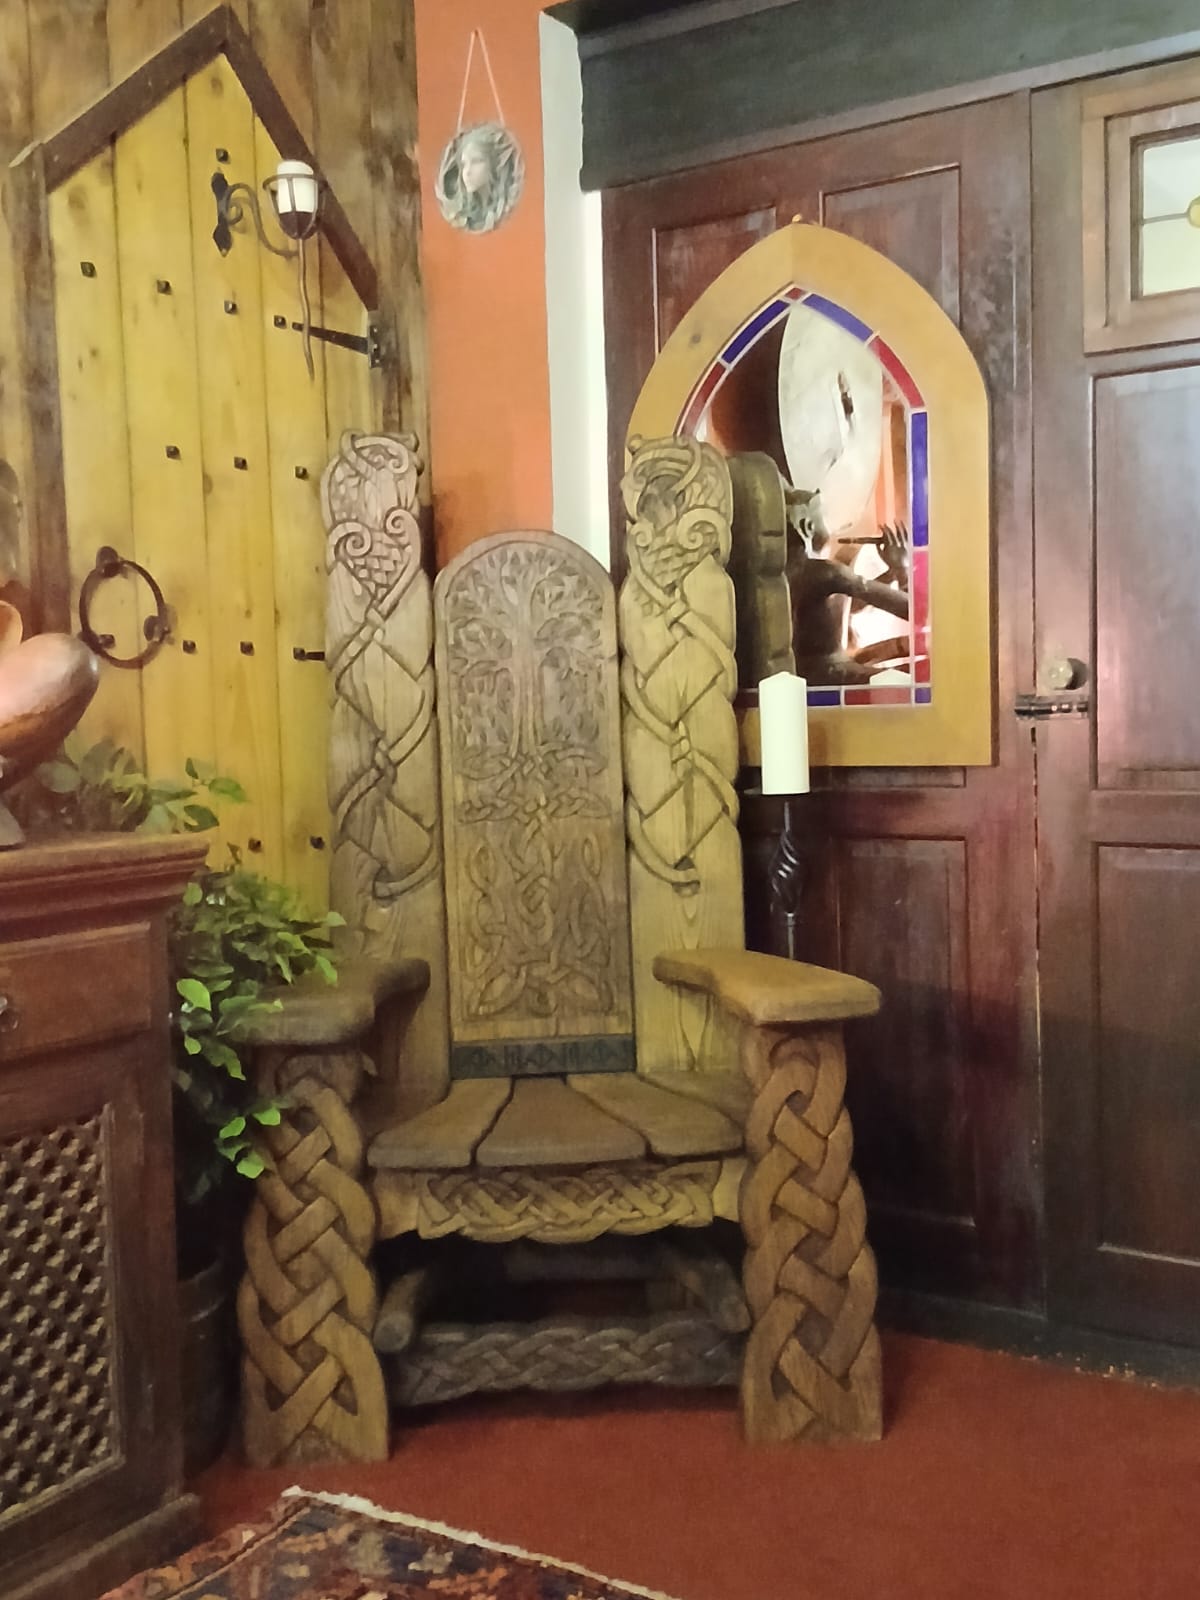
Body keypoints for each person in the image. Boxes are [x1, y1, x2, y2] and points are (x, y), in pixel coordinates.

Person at [435, 121, 524, 234]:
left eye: (476, 161)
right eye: (464, 164)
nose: (467, 172)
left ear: (493, 164)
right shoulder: (460, 212)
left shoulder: (506, 205)